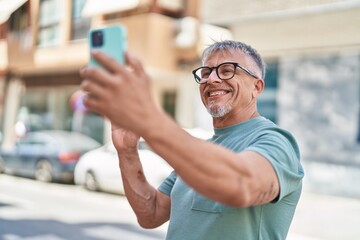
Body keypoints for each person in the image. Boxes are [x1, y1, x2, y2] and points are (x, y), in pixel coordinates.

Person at [80, 40, 304, 240]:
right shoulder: (202, 152)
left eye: (227, 70)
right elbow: (151, 213)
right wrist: (127, 151)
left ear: (257, 87)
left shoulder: (275, 141)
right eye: (206, 73)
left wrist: (149, 120)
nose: (212, 79)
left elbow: (242, 185)